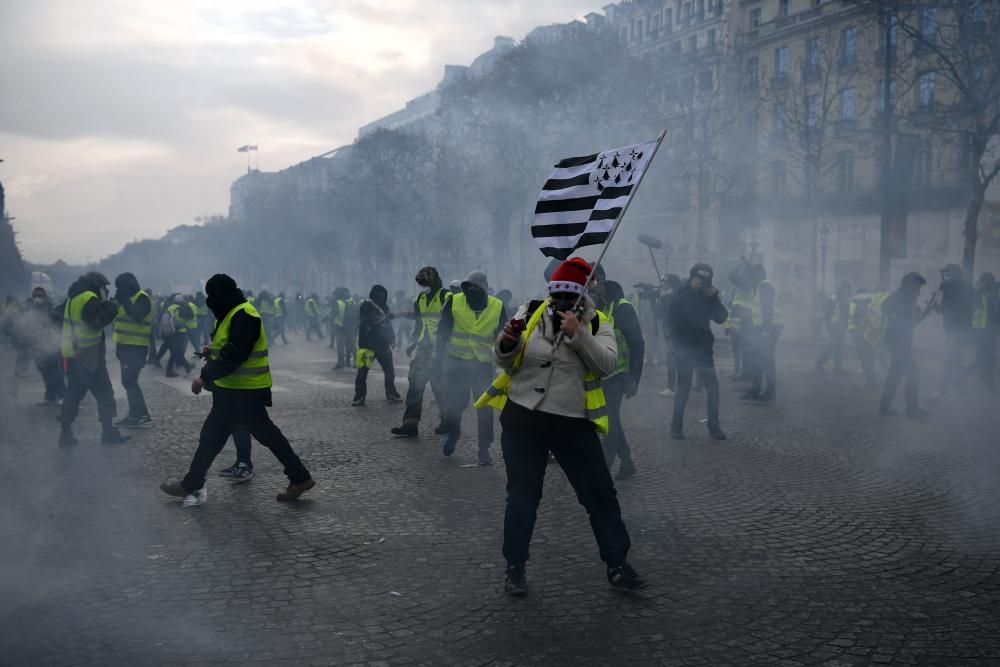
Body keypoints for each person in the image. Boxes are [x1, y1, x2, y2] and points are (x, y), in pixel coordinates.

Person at [475, 256, 645, 595]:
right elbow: (503, 358)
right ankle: (515, 567)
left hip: (573, 423)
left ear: (582, 296)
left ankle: (617, 564)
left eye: (569, 297)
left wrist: (579, 334)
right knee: (522, 497)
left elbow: (607, 364)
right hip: (524, 418)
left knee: (600, 495)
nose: (561, 303)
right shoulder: (531, 310)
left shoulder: (599, 322)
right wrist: (507, 341)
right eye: (557, 296)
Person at [159, 274, 315, 505]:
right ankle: (192, 482)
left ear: (219, 296)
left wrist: (204, 377)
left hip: (245, 391)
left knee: (258, 435)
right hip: (233, 391)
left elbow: (236, 354)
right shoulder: (233, 312)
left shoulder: (244, 314)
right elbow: (229, 347)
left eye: (212, 296)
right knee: (216, 436)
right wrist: (212, 351)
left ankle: (299, 477)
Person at [437, 270, 507, 465]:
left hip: (482, 365)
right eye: (469, 287)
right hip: (457, 363)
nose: (472, 291)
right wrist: (437, 359)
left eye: (476, 288)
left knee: (484, 409)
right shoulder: (454, 301)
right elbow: (443, 331)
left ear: (484, 289)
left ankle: (484, 450)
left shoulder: (497, 306)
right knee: (454, 406)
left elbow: (504, 336)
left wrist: (506, 359)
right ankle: (453, 433)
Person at [58, 272, 131, 446]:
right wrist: (112, 308)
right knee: (105, 393)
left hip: (74, 353)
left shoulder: (74, 297)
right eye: (104, 287)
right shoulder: (89, 297)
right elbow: (95, 322)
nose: (105, 290)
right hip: (89, 354)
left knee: (73, 394)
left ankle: (65, 434)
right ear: (97, 285)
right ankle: (109, 433)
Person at [667, 264, 728, 440]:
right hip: (684, 346)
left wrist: (715, 298)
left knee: (713, 387)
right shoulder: (682, 291)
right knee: (684, 386)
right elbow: (673, 310)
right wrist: (691, 291)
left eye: (707, 280)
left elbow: (721, 317)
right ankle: (676, 427)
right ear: (693, 278)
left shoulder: (709, 295)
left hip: (703, 348)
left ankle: (713, 426)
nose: (703, 284)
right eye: (700, 280)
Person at [391, 267, 450, 438]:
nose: (424, 286)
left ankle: (448, 421)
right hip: (423, 349)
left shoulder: (448, 297)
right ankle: (410, 424)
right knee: (415, 384)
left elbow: (452, 323)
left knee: (440, 387)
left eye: (426, 282)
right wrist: (412, 343)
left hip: (441, 349)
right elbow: (419, 322)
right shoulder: (420, 298)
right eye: (421, 283)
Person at [597, 280, 644, 480]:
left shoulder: (623, 309)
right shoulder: (605, 307)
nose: (593, 290)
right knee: (612, 419)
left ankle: (605, 467)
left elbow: (637, 343)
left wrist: (635, 379)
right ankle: (627, 462)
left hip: (620, 375)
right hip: (605, 375)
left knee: (609, 420)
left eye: (596, 286)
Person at [880, 272, 934, 417]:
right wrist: (895, 316)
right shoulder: (898, 296)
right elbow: (884, 307)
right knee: (913, 373)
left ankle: (885, 406)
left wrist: (926, 312)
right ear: (909, 285)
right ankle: (912, 409)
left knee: (895, 374)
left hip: (903, 341)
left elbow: (913, 321)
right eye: (917, 287)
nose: (918, 291)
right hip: (896, 341)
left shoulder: (910, 300)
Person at [112, 272, 154, 428]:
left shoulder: (142, 298)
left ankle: (139, 415)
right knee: (128, 380)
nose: (119, 290)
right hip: (125, 347)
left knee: (129, 380)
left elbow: (137, 315)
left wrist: (124, 300)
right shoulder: (126, 298)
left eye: (120, 287)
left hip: (137, 348)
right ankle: (137, 414)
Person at [352, 285, 402, 407]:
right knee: (362, 373)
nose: (382, 297)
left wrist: (392, 338)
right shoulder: (366, 306)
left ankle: (391, 393)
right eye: (380, 294)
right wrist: (390, 317)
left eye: (384, 294)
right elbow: (373, 321)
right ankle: (359, 396)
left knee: (389, 371)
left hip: (383, 345)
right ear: (374, 295)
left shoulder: (384, 307)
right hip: (367, 345)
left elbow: (388, 325)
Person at [934, 263, 974, 399]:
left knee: (951, 359)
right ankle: (961, 392)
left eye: (947, 273)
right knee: (956, 360)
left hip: (956, 329)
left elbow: (953, 309)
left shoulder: (949, 287)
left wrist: (938, 308)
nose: (945, 276)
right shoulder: (966, 286)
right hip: (960, 329)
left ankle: (943, 390)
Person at [743, 264, 782, 401]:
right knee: (759, 360)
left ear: (759, 274)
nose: (751, 278)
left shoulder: (765, 286)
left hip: (768, 329)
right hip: (765, 329)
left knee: (767, 360)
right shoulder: (762, 287)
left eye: (753, 275)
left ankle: (770, 393)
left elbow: (767, 309)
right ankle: (755, 390)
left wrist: (766, 330)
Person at [24, 287, 65, 404]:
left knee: (55, 371)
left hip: (51, 343)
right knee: (44, 372)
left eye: (40, 296)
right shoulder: (31, 308)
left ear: (45, 296)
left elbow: (58, 322)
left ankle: (62, 395)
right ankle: (50, 396)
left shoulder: (51, 306)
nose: (37, 299)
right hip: (37, 344)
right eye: (35, 296)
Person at [816, 281, 852, 374]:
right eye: (845, 289)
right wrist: (828, 327)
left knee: (840, 348)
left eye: (847, 290)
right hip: (834, 327)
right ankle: (819, 364)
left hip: (841, 327)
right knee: (832, 347)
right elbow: (827, 314)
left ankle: (838, 368)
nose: (846, 292)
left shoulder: (846, 300)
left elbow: (847, 314)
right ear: (841, 289)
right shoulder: (833, 299)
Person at [972, 272, 998, 393]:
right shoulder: (993, 293)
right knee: (988, 356)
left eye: (980, 280)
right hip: (988, 330)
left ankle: (988, 382)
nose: (977, 282)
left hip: (982, 330)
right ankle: (987, 380)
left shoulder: (982, 293)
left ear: (984, 282)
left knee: (986, 356)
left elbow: (975, 311)